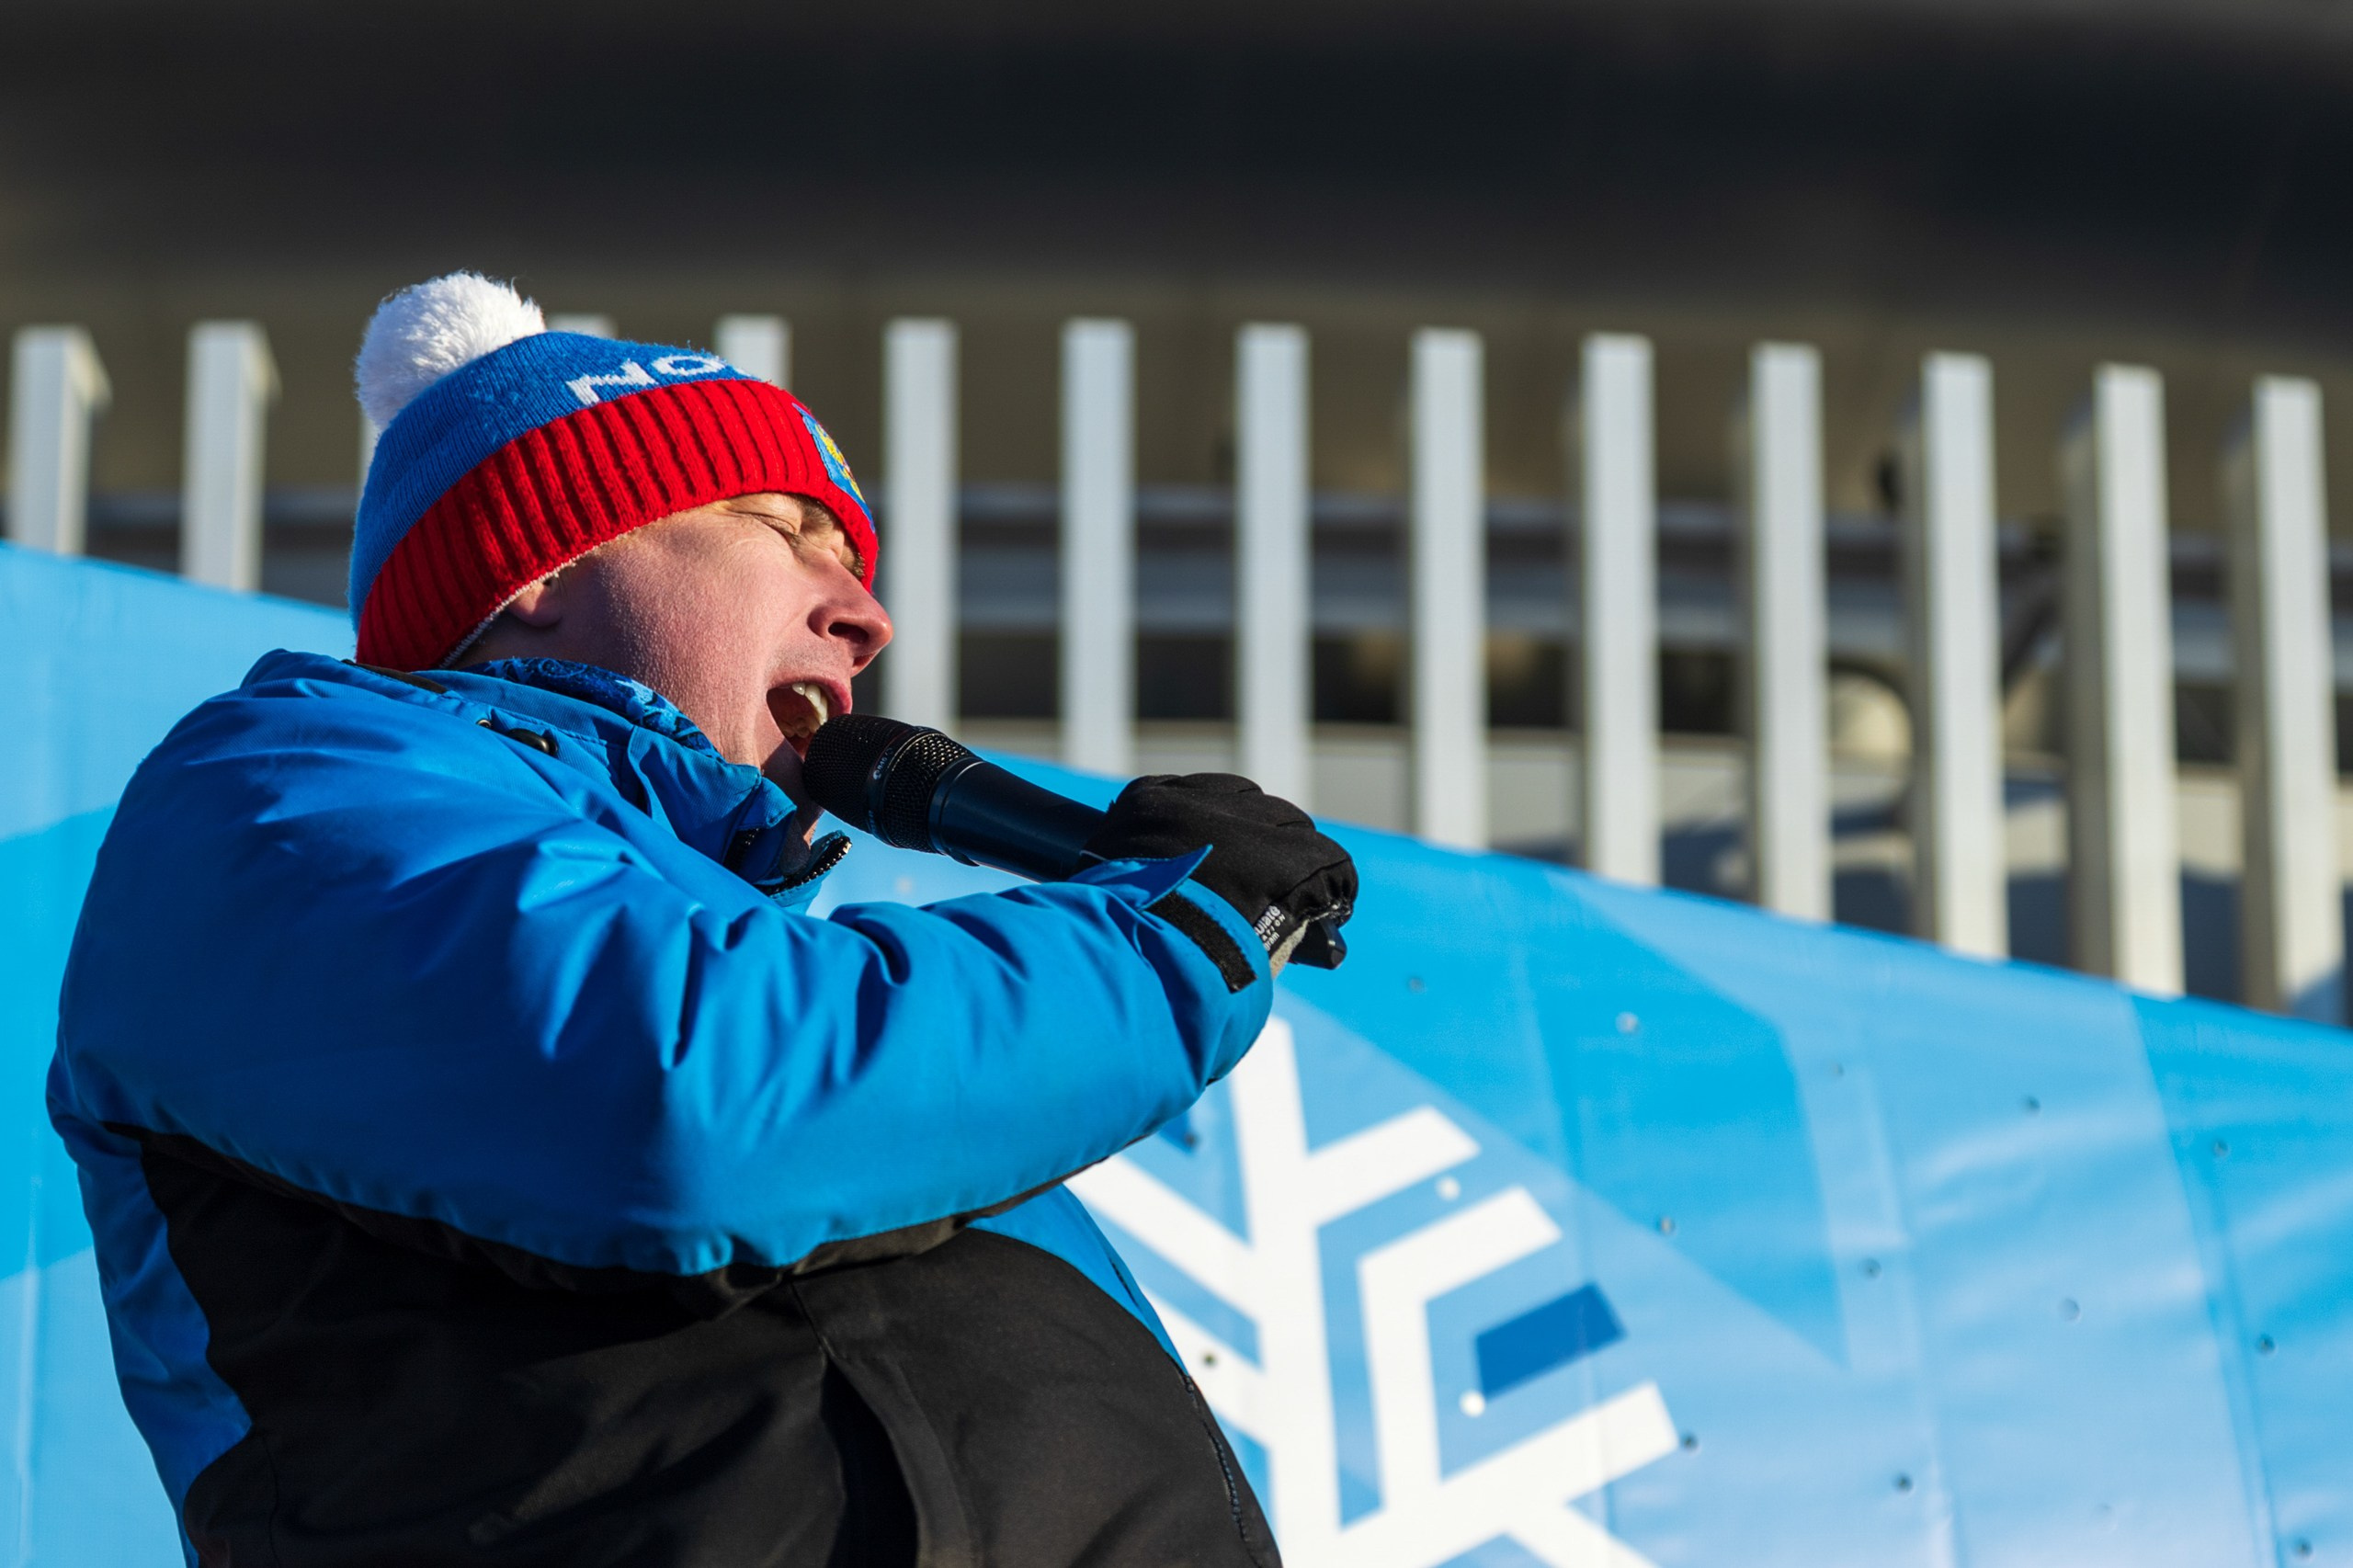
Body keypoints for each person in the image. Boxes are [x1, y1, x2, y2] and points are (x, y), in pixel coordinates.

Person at [51, 273, 1356, 1567]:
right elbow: (688, 1102)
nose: (866, 614)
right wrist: (1166, 941)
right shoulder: (280, 787)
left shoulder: (783, 960)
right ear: (544, 560)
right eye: (786, 530)